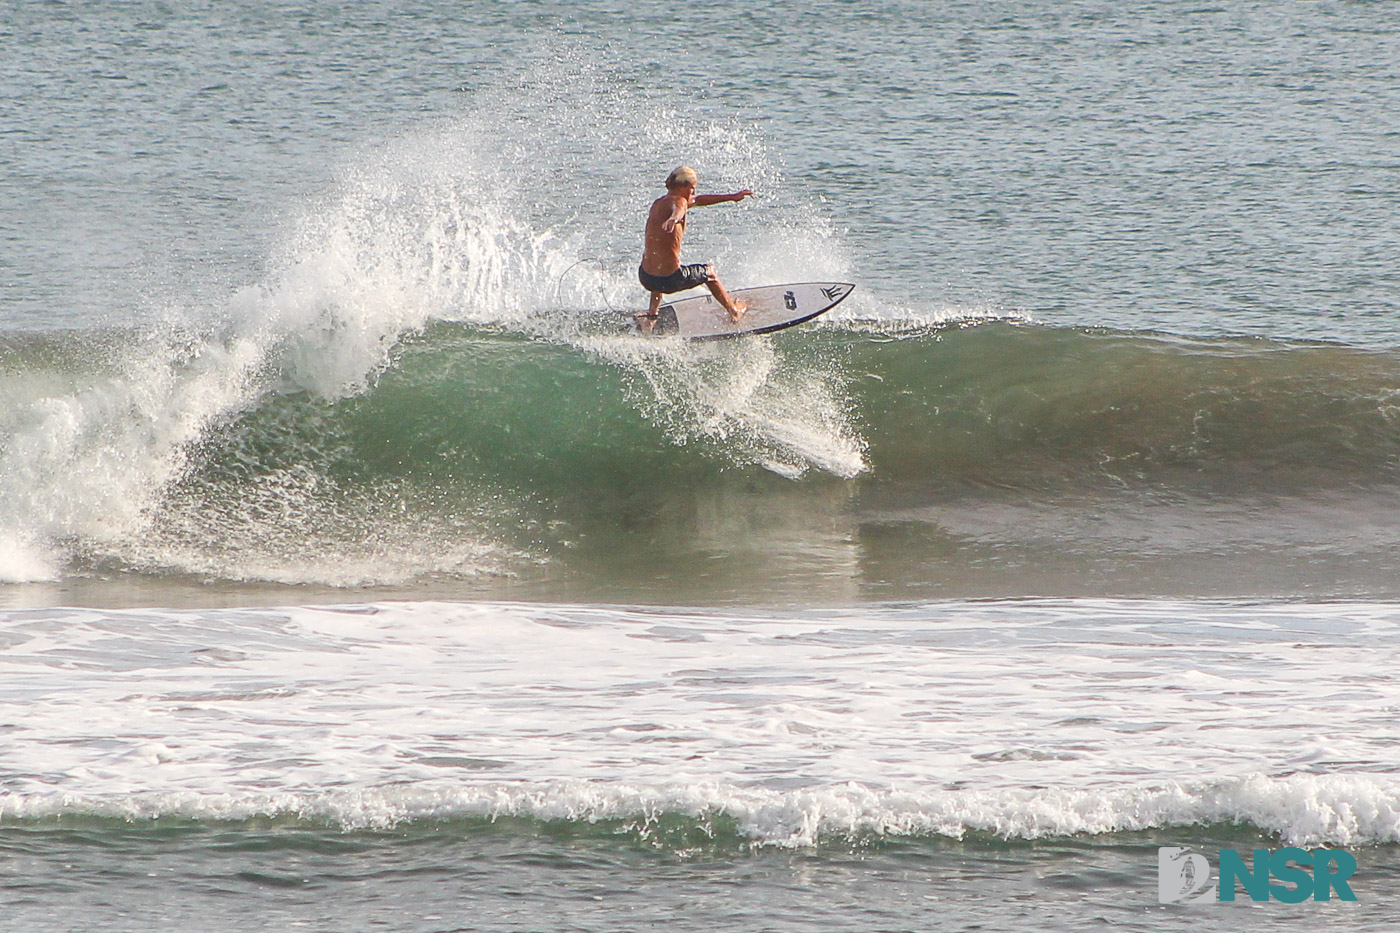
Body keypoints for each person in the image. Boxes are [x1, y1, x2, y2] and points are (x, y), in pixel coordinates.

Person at [638, 166, 753, 326]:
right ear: (682, 187)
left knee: (659, 261)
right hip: (670, 280)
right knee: (710, 273)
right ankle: (734, 311)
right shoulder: (679, 202)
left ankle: (651, 315)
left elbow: (699, 200)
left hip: (646, 277)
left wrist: (732, 197)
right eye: (692, 189)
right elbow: (680, 208)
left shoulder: (658, 203)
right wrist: (675, 218)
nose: (693, 193)